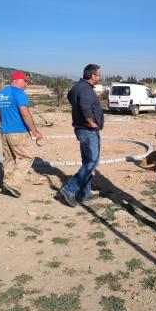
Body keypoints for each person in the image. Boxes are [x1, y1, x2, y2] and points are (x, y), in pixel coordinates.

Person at [0, 71, 43, 198]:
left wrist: (6, 119)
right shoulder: (19, 93)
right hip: (18, 132)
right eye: (24, 81)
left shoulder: (1, 93)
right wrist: (35, 131)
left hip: (5, 132)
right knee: (28, 156)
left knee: (9, 158)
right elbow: (25, 113)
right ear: (16, 80)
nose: (26, 84)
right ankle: (13, 184)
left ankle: (6, 183)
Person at [60, 64, 104, 207]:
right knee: (92, 162)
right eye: (99, 75)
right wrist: (91, 122)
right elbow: (85, 107)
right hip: (88, 130)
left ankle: (85, 193)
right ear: (92, 76)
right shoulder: (85, 89)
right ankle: (69, 189)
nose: (99, 77)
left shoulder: (77, 87)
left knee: (88, 162)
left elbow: (70, 98)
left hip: (82, 129)